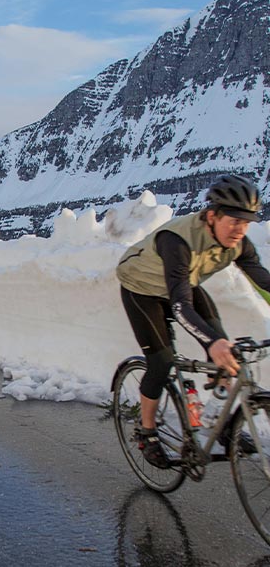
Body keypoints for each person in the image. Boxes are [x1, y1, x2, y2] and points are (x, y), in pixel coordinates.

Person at [116, 174, 270, 468]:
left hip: (184, 285)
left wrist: (215, 343)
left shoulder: (239, 243)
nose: (241, 229)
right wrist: (212, 343)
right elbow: (180, 305)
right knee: (161, 361)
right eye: (234, 220)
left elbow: (263, 282)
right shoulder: (177, 241)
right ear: (212, 215)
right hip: (142, 289)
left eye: (247, 221)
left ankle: (219, 420)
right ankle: (146, 431)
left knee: (226, 352)